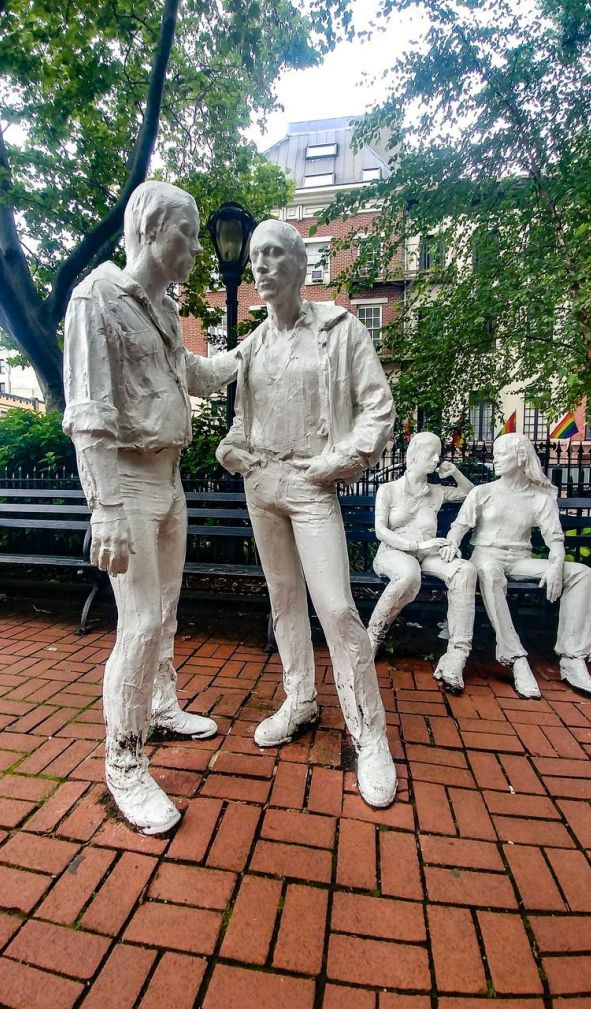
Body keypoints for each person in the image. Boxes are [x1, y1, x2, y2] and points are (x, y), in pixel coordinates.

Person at [63, 180, 242, 834]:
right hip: (129, 483)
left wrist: (243, 356)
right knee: (137, 625)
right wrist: (104, 507)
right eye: (187, 234)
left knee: (164, 612)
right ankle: (124, 761)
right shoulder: (96, 300)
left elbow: (191, 375)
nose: (195, 247)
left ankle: (161, 706)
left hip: (169, 482)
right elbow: (88, 414)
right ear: (151, 230)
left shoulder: (162, 309)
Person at [216, 219, 398, 808]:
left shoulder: (341, 330)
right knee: (284, 601)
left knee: (338, 607)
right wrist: (231, 446)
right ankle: (300, 699)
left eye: (273, 255)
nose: (261, 266)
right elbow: (238, 413)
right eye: (256, 257)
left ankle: (368, 733)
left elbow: (378, 411)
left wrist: (334, 464)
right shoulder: (254, 345)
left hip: (311, 481)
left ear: (300, 264)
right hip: (261, 483)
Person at [441, 432, 591, 700]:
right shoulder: (484, 492)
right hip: (485, 555)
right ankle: (515, 657)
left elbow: (555, 539)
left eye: (500, 454)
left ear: (519, 457)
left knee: (582, 574)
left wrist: (556, 565)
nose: (495, 459)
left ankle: (572, 658)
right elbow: (459, 528)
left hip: (520, 559)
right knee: (489, 572)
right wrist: (451, 544)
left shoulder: (540, 498)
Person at [367, 432, 476, 693]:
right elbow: (381, 530)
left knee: (465, 571)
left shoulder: (437, 492)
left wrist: (455, 473)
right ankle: (372, 637)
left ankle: (455, 657)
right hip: (393, 552)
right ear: (413, 456)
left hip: (428, 555)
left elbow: (471, 495)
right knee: (408, 574)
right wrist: (415, 546)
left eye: (439, 454)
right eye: (432, 453)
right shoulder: (389, 489)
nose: (437, 459)